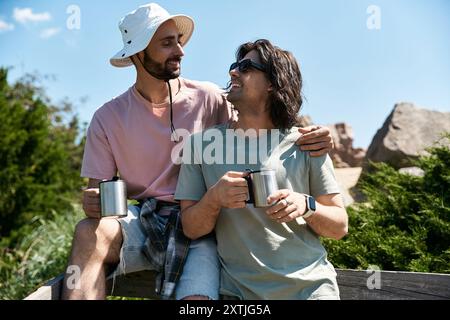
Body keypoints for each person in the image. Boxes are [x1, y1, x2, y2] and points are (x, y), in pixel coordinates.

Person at [61, 3, 334, 300]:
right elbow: (94, 197)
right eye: (167, 43)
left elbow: (264, 125)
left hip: (201, 225)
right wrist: (93, 203)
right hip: (144, 219)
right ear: (138, 54)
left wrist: (314, 133)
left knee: (197, 302)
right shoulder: (107, 117)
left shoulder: (212, 97)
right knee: (88, 231)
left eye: (179, 41)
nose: (180, 51)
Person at [175, 39, 348, 300]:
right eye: (234, 66)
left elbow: (339, 227)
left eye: (246, 67)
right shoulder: (200, 145)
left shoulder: (306, 142)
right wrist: (213, 199)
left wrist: (305, 204)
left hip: (310, 289)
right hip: (239, 294)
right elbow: (190, 227)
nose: (233, 72)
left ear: (272, 83)